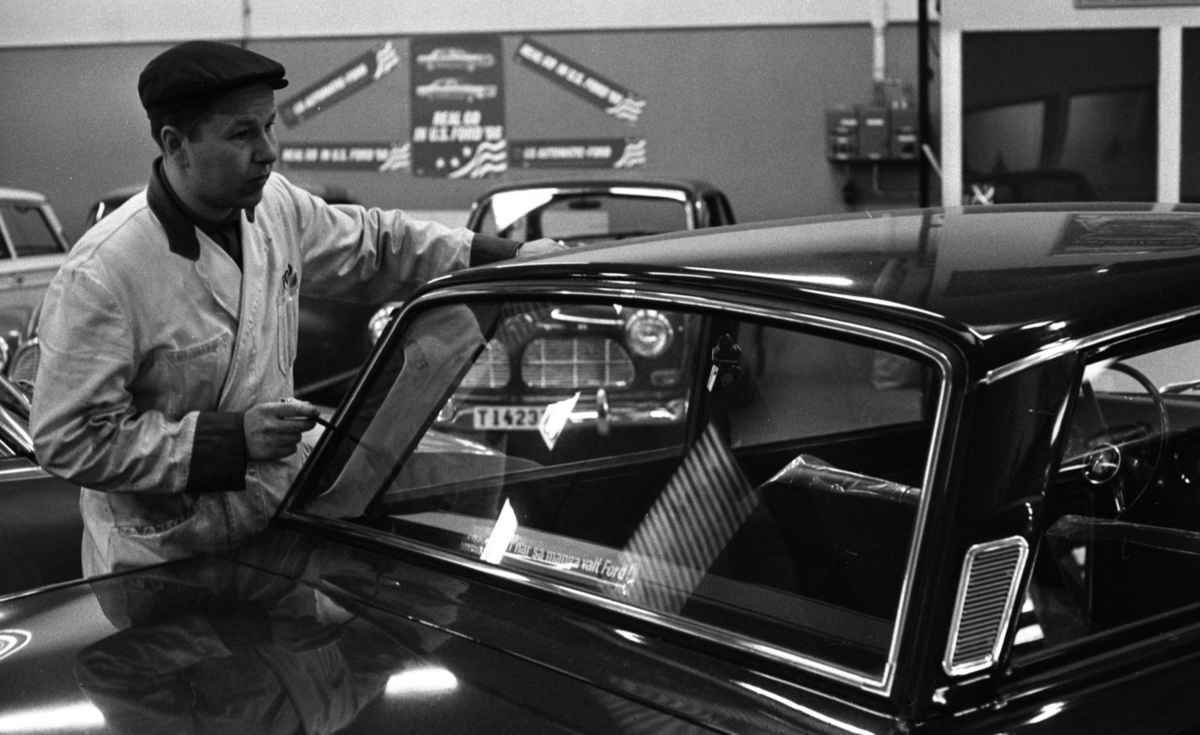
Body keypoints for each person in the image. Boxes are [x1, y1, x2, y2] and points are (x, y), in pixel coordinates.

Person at [29, 40, 565, 577]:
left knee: (478, 484)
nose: (268, 151)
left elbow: (378, 244)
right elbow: (69, 440)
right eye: (243, 134)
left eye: (269, 126)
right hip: (164, 565)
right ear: (176, 144)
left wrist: (509, 256)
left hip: (272, 528)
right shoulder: (105, 273)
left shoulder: (275, 207)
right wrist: (229, 440)